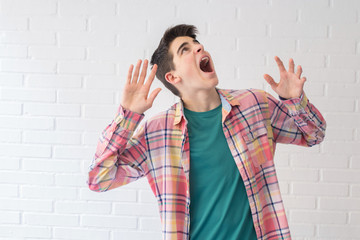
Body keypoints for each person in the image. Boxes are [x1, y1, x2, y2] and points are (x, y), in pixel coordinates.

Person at [87, 24, 326, 240]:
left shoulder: (255, 104)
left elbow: (313, 135)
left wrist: (293, 100)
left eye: (197, 44)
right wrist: (128, 116)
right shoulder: (156, 132)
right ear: (173, 77)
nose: (199, 47)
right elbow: (99, 180)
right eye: (185, 49)